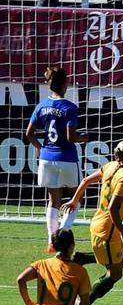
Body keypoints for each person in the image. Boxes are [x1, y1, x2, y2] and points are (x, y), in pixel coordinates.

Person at [61, 139, 123, 305]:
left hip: (99, 225)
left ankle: (82, 258)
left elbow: (86, 180)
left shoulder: (111, 166)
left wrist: (75, 200)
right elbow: (113, 208)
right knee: (115, 273)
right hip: (108, 232)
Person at [25, 67, 88, 253]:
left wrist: (40, 148)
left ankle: (52, 241)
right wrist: (84, 138)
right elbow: (70, 137)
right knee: (76, 198)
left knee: (53, 201)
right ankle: (63, 232)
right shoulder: (70, 107)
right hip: (66, 157)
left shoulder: (41, 106)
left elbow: (29, 134)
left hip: (46, 158)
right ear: (64, 84)